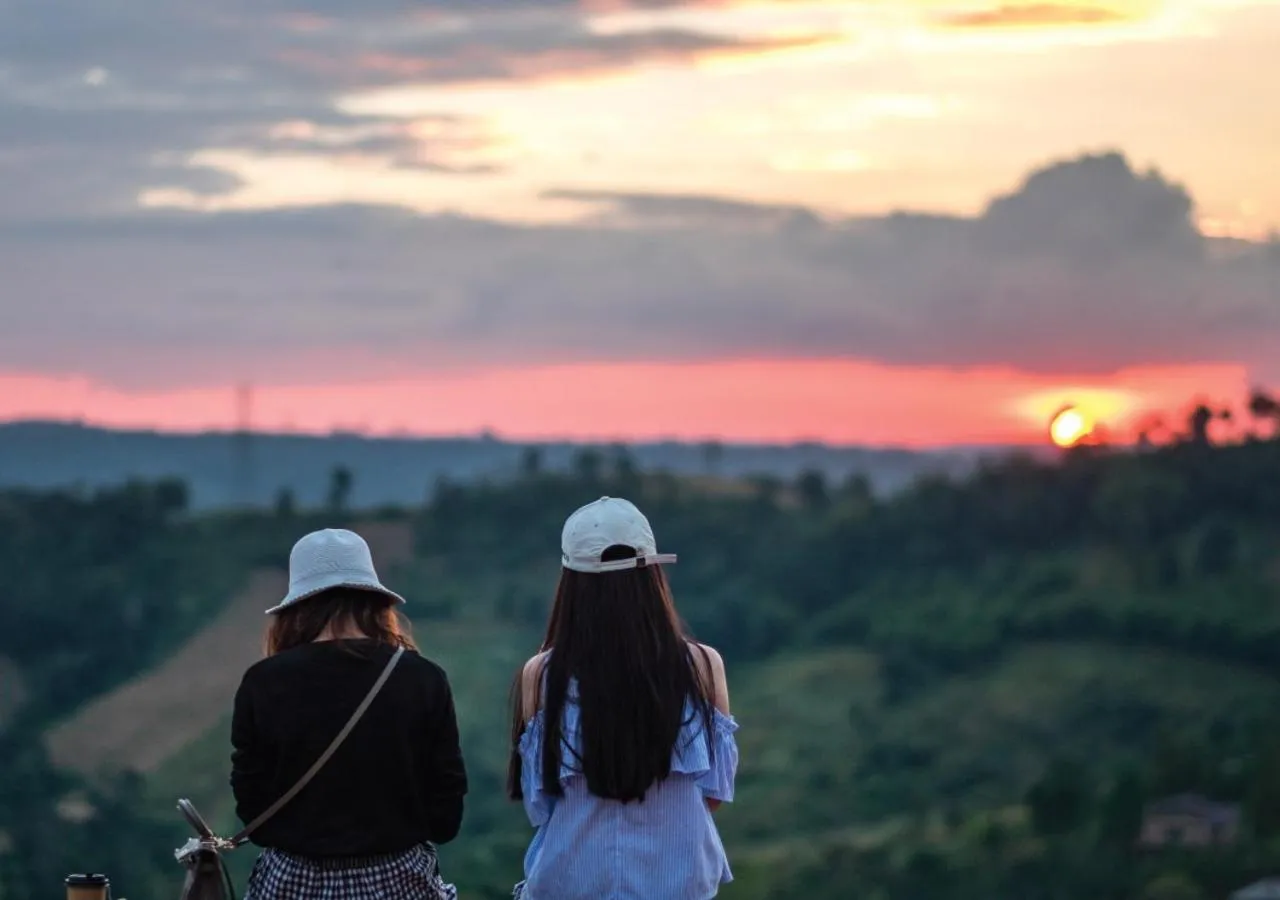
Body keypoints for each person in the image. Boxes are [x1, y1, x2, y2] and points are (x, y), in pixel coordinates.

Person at [507, 496, 739, 900]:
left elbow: (539, 804)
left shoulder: (542, 675)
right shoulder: (702, 666)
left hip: (569, 886)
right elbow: (715, 795)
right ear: (653, 577)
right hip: (677, 887)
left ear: (571, 584)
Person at [230, 528, 467, 900]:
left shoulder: (262, 682)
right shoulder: (423, 678)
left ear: (296, 607)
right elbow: (446, 811)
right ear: (375, 601)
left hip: (291, 882)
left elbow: (251, 803)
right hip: (399, 881)